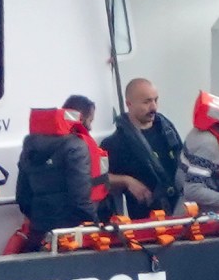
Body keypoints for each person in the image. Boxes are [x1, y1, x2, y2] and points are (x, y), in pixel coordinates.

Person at [16, 108, 100, 251]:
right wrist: (94, 223)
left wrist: (38, 219)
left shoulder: (28, 149)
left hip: (39, 231)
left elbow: (22, 196)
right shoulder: (75, 147)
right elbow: (80, 197)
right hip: (71, 233)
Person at [101, 78, 183, 219]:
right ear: (129, 104)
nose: (154, 107)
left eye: (155, 100)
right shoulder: (115, 143)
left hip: (179, 210)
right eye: (147, 102)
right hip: (143, 219)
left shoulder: (167, 131)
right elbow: (99, 178)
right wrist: (126, 180)